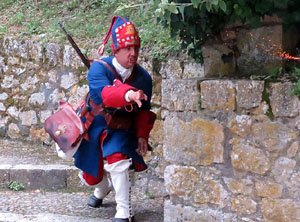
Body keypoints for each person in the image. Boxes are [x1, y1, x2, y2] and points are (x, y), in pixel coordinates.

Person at [73, 16, 156, 222]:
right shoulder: (99, 68)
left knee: (118, 160)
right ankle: (102, 190)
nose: (133, 53)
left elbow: (144, 111)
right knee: (89, 176)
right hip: (95, 124)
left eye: (136, 48)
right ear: (115, 50)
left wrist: (142, 136)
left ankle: (124, 212)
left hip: (121, 126)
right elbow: (104, 95)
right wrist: (129, 94)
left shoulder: (143, 78)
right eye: (127, 48)